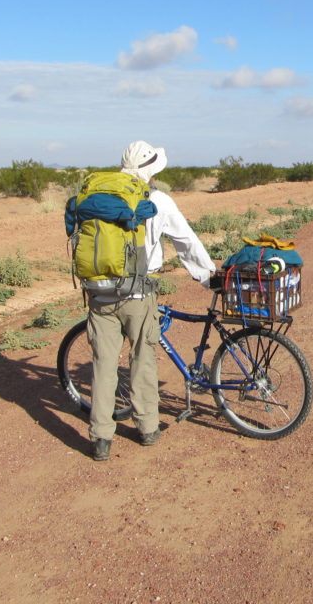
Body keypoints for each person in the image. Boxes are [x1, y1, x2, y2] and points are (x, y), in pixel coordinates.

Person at [87, 140, 216, 461]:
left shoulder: (98, 197)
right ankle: (147, 427)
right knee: (141, 359)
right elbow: (186, 242)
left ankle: (101, 438)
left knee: (104, 365)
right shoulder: (158, 200)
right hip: (138, 294)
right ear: (152, 171)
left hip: (99, 292)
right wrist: (208, 277)